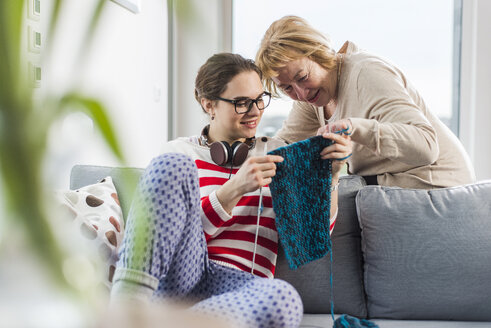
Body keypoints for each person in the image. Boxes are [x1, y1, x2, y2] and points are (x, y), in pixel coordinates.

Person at [110, 53, 352, 327]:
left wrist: (331, 176)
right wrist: (233, 189)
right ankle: (124, 311)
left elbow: (311, 238)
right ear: (209, 105)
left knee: (284, 298)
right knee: (171, 164)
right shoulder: (180, 152)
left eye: (260, 99)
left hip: (243, 290)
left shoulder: (277, 154)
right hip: (183, 276)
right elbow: (165, 237)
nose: (255, 111)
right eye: (241, 103)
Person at [255, 15, 475, 189]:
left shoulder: (367, 73)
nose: (301, 93)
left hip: (438, 186)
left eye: (302, 78)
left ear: (318, 53)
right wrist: (237, 146)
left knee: (331, 198)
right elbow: (282, 146)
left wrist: (356, 127)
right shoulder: (311, 95)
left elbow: (427, 147)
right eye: (287, 88)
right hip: (387, 186)